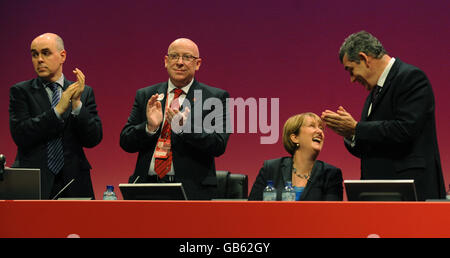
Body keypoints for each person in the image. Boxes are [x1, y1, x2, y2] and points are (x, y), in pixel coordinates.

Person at [321, 31, 445, 201]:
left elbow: (405, 129)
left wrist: (357, 128)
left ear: (364, 58)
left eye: (351, 70)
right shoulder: (373, 94)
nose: (351, 79)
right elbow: (373, 145)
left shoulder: (411, 78)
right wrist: (351, 134)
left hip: (411, 194)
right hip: (380, 194)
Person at [120, 38, 230, 200]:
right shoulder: (146, 95)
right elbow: (126, 142)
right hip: (146, 187)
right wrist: (149, 128)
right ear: (166, 61)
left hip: (192, 190)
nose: (179, 62)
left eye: (187, 57)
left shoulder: (215, 98)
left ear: (198, 64)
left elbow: (218, 144)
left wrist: (185, 128)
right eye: (174, 56)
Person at [9, 33, 103, 199]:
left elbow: (93, 139)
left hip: (74, 181)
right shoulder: (21, 91)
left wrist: (76, 106)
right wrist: (57, 110)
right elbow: (21, 134)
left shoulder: (84, 92)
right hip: (34, 181)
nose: (39, 59)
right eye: (34, 54)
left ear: (62, 56)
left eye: (45, 53)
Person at [248, 113, 343, 201]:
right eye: (312, 126)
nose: (319, 131)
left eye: (321, 128)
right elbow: (251, 210)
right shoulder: (271, 168)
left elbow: (332, 215)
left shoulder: (331, 174)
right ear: (295, 138)